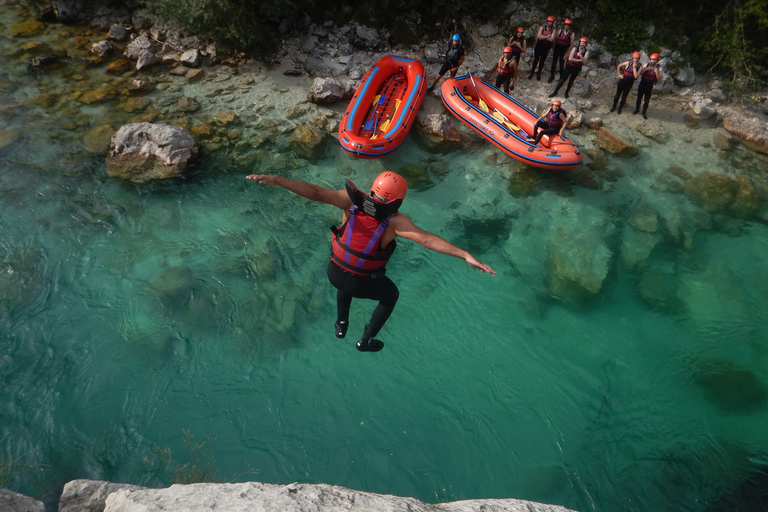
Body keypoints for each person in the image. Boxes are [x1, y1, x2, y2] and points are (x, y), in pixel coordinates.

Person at [245, 171, 495, 352]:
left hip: (333, 272)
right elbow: (427, 240)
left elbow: (316, 193)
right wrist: (464, 254)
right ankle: (365, 340)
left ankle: (341, 324)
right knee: (390, 295)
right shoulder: (396, 222)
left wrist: (278, 180)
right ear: (398, 200)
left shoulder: (350, 201)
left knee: (345, 283)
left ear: (372, 189)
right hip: (361, 283)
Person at [634, 53, 663, 119]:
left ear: (657, 60)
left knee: (646, 100)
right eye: (652, 59)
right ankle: (637, 110)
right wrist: (646, 69)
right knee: (639, 98)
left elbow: (659, 78)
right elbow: (640, 73)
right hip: (643, 83)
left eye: (654, 60)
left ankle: (644, 113)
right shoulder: (646, 65)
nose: (653, 61)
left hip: (650, 85)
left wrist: (657, 72)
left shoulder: (659, 68)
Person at [527, 16, 555, 81]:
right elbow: (538, 37)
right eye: (549, 21)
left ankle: (538, 74)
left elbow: (551, 39)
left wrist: (543, 36)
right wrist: (547, 36)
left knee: (542, 61)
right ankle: (532, 72)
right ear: (547, 21)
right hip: (539, 45)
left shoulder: (553, 29)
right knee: (536, 59)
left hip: (546, 47)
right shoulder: (542, 27)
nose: (549, 23)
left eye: (551, 22)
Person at [549, 18, 574, 83]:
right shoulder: (560, 31)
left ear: (570, 26)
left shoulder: (571, 34)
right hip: (557, 48)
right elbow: (555, 40)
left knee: (561, 64)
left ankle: (561, 77)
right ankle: (551, 76)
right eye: (565, 24)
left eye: (568, 25)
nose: (566, 26)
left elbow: (571, 45)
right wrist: (553, 49)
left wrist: (567, 54)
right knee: (554, 63)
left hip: (564, 50)